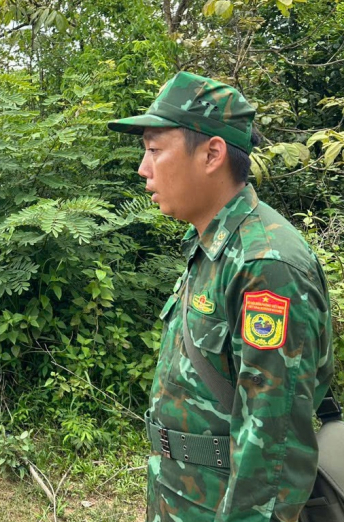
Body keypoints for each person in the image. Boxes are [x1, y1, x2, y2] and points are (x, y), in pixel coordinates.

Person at [107, 71, 334, 521]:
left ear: (212, 153)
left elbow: (274, 449)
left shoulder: (266, 265)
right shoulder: (214, 244)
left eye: (154, 149)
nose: (143, 168)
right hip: (185, 498)